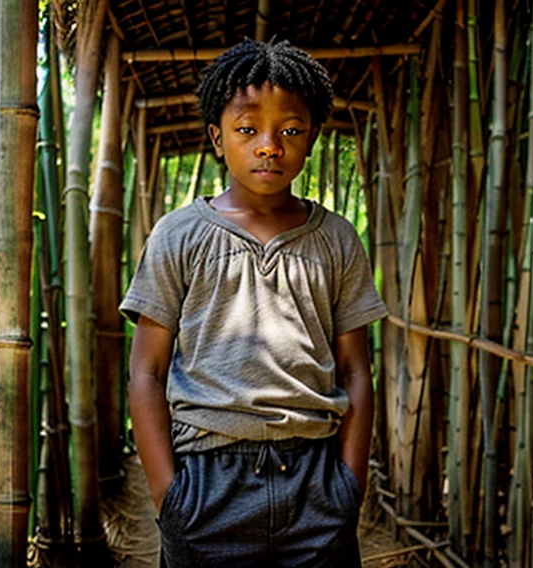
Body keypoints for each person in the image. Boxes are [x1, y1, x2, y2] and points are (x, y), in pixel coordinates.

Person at [121, 38, 388, 568]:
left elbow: (357, 370)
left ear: (310, 140)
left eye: (289, 130)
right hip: (206, 481)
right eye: (248, 130)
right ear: (218, 139)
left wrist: (348, 489)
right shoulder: (177, 236)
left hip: (315, 480)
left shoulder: (336, 239)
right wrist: (168, 496)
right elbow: (146, 373)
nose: (269, 144)